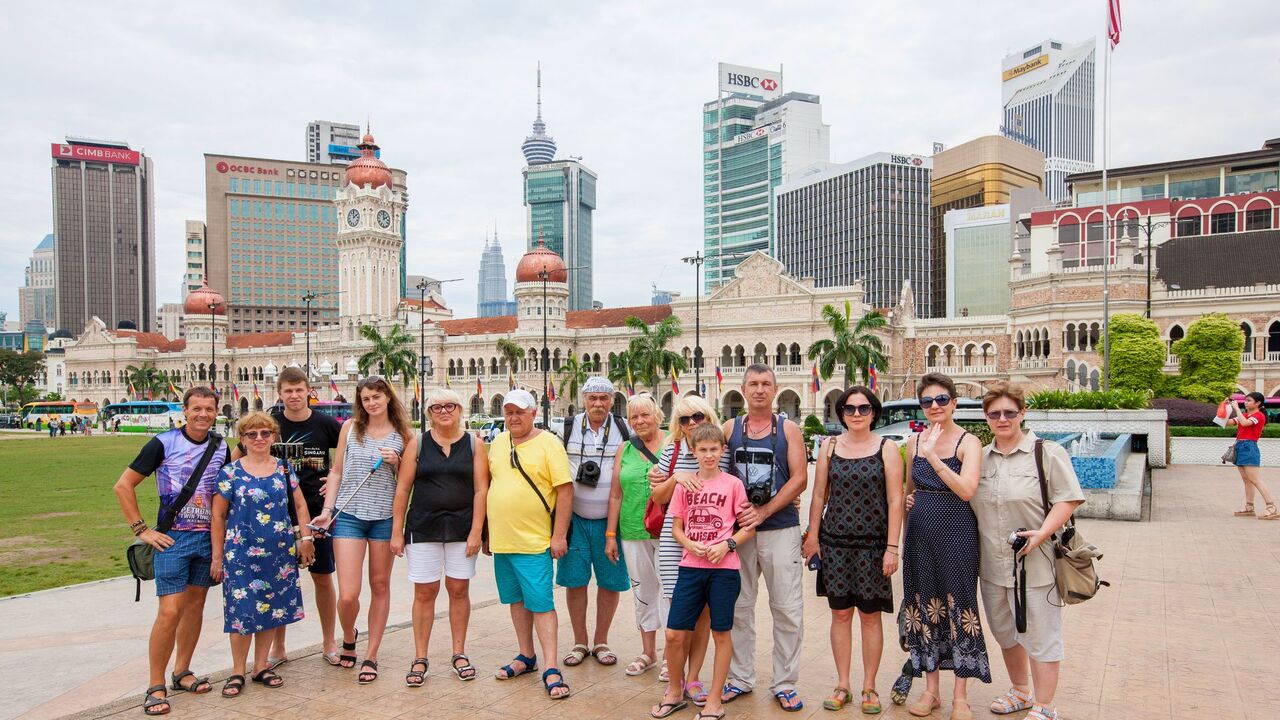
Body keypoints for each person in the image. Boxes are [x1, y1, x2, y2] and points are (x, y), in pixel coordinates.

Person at [113, 387, 230, 716]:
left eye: (209, 409)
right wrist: (141, 530)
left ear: (216, 411)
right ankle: (155, 684)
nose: (203, 414)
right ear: (185, 410)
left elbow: (226, 494)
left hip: (207, 538)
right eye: (197, 408)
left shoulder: (221, 447)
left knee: (194, 609)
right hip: (172, 539)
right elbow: (123, 485)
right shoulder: (163, 443)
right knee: (169, 612)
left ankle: (182, 671)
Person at [973, 383, 1084, 720]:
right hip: (993, 566)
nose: (1002, 419)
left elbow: (1068, 499)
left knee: (1041, 635)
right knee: (1006, 632)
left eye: (1009, 412)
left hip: (1036, 564)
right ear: (986, 417)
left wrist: (1043, 533)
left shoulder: (1046, 453)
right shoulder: (980, 457)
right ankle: (1021, 691)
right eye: (994, 413)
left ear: (1023, 413)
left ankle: (1045, 705)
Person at [230, 367, 343, 668]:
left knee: (322, 577)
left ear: (309, 391)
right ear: (279, 393)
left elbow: (348, 455)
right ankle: (278, 648)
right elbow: (234, 459)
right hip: (274, 516)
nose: (294, 396)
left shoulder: (325, 424)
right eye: (288, 391)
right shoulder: (271, 423)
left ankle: (329, 641)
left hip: (317, 514)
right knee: (275, 582)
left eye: (299, 390)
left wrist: (337, 478)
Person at [803, 385, 904, 713]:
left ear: (874, 413)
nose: (856, 414)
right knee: (840, 614)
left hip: (873, 546)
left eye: (863, 408)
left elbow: (895, 500)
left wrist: (892, 548)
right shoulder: (829, 447)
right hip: (835, 543)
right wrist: (813, 537)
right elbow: (819, 495)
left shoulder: (887, 448)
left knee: (870, 617)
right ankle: (843, 684)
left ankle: (869, 687)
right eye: (850, 408)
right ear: (842, 414)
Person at [651, 422, 758, 720]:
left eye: (714, 449)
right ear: (694, 452)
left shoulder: (733, 484)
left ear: (722, 450)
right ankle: (675, 691)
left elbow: (748, 527)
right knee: (674, 633)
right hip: (690, 567)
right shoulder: (685, 485)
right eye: (703, 450)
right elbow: (676, 526)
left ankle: (714, 700)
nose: (709, 455)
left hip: (724, 570)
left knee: (720, 632)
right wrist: (689, 544)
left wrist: (727, 544)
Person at [900, 373, 990, 719]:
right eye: (927, 401)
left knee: (959, 603)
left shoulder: (969, 442)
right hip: (920, 533)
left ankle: (961, 696)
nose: (934, 406)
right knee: (924, 604)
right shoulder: (913, 441)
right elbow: (910, 489)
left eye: (941, 399)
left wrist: (934, 458)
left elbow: (967, 490)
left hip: (957, 532)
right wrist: (909, 507)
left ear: (953, 403)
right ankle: (931, 690)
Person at [310, 375, 410, 684]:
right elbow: (336, 471)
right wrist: (327, 511)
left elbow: (408, 481)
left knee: (380, 585)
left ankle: (372, 654)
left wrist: (397, 462)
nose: (372, 403)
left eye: (377, 397)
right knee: (349, 593)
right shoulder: (350, 428)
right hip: (350, 516)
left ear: (388, 397)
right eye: (366, 399)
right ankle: (349, 635)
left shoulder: (404, 434)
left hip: (383, 518)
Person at [720, 364, 808, 711]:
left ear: (775, 389)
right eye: (753, 384)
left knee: (787, 608)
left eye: (766, 384)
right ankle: (740, 677)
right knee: (739, 607)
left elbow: (799, 478)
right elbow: (713, 469)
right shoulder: (730, 429)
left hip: (780, 529)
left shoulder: (789, 430)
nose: (759, 389)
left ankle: (785, 682)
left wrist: (765, 510)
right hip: (740, 534)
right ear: (742, 389)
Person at [210, 411, 316, 697]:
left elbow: (300, 505)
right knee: (242, 612)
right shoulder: (230, 472)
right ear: (243, 439)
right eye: (252, 434)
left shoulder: (284, 469)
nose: (259, 438)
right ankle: (237, 671)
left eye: (265, 433)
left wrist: (306, 538)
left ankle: (260, 666)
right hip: (241, 554)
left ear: (273, 437)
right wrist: (217, 557)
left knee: (272, 609)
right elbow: (218, 516)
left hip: (278, 553)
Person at [390, 388, 489, 686]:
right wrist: (397, 531)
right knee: (424, 592)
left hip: (461, 528)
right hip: (424, 527)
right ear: (429, 414)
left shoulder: (474, 444)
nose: (444, 411)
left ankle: (459, 652)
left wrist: (476, 531)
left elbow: (481, 490)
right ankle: (420, 656)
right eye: (436, 407)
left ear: (460, 410)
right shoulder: (418, 443)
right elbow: (403, 488)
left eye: (450, 406)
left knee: (458, 590)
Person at [486, 389, 573, 698]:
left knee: (541, 603)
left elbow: (565, 491)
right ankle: (527, 655)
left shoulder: (549, 443)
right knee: (515, 600)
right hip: (503, 540)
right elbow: (491, 486)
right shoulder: (498, 443)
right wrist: (487, 533)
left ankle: (551, 666)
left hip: (534, 541)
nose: (513, 417)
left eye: (520, 412)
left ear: (533, 413)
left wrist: (559, 535)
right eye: (509, 412)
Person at [648, 394, 734, 705]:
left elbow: (733, 486)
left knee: (704, 616)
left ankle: (693, 678)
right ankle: (676, 678)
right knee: (678, 614)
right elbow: (657, 496)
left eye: (697, 416)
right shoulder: (672, 449)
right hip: (675, 542)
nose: (691, 424)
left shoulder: (721, 450)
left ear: (708, 417)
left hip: (712, 544)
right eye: (684, 419)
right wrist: (676, 478)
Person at [557, 377, 631, 668]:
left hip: (611, 522)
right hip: (574, 520)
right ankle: (580, 641)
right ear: (584, 399)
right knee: (575, 582)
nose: (598, 403)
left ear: (612, 400)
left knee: (610, 583)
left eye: (604, 398)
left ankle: (601, 641)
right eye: (592, 398)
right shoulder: (567, 428)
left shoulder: (624, 430)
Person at [606, 392, 665, 676]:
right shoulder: (625, 449)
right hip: (632, 530)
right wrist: (610, 534)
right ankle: (648, 652)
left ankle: (673, 656)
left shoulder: (673, 443)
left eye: (645, 415)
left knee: (671, 592)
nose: (640, 421)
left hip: (668, 531)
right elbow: (616, 495)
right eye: (634, 417)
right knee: (642, 591)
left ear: (657, 416)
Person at [1228, 392, 1277, 519]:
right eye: (1245, 400)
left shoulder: (1259, 416)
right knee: (1246, 480)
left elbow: (1244, 423)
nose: (1246, 402)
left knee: (1255, 480)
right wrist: (1224, 409)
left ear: (1258, 403)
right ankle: (1249, 507)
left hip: (1249, 447)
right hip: (1240, 446)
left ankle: (1271, 507)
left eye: (1249, 400)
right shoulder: (1244, 415)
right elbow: (1227, 422)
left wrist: (1236, 408)